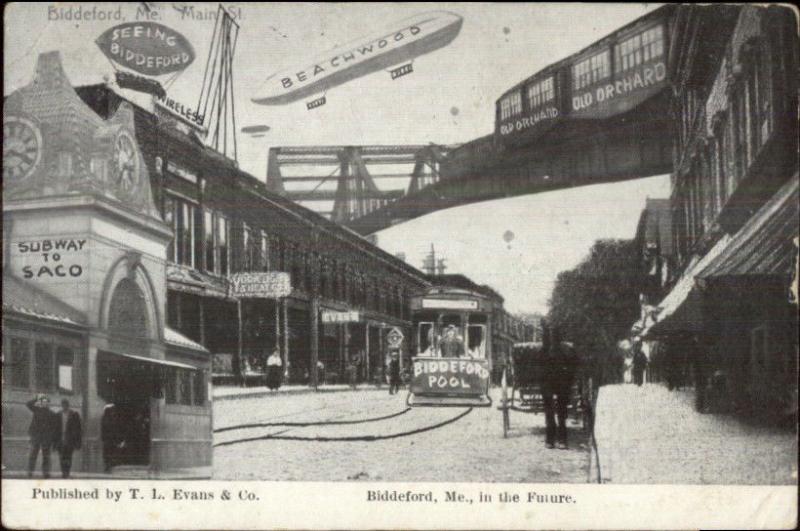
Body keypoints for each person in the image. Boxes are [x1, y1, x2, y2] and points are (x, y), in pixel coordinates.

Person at [540, 324, 578, 450]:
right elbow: (537, 369)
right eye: (549, 337)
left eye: (554, 337)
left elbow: (572, 368)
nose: (552, 340)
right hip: (548, 384)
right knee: (550, 413)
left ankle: (561, 439)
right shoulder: (542, 352)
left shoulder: (565, 351)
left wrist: (568, 381)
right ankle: (551, 439)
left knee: (561, 413)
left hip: (561, 384)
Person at [26, 394, 56, 478]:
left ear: (49, 404)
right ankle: (30, 472)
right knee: (33, 455)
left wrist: (52, 439)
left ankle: (46, 473)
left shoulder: (52, 414)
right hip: (36, 437)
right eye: (43, 402)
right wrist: (36, 398)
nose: (45, 404)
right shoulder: (36, 410)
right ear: (41, 403)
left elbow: (54, 428)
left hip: (46, 438)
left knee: (46, 456)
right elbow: (28, 404)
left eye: (46, 402)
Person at [54, 399, 82, 478]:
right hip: (60, 439)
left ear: (68, 405)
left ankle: (67, 472)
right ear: (62, 405)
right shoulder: (58, 415)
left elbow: (78, 429)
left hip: (70, 440)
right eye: (63, 405)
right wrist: (54, 442)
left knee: (68, 456)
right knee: (62, 456)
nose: (64, 406)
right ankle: (64, 472)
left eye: (66, 405)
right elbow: (55, 429)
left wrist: (78, 442)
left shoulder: (74, 414)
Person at [101, 403, 120, 473]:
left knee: (109, 453)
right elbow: (104, 429)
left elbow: (115, 429)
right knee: (108, 453)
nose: (113, 411)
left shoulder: (112, 418)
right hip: (108, 439)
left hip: (110, 439)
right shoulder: (106, 418)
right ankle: (107, 467)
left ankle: (109, 467)